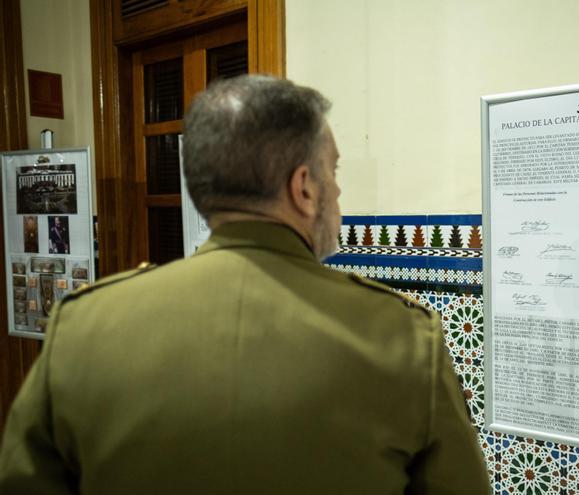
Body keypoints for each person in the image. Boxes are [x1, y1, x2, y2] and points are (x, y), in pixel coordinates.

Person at [0, 75, 489, 494]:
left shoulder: (82, 328)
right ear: (303, 188)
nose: (337, 188)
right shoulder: (402, 337)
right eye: (333, 170)